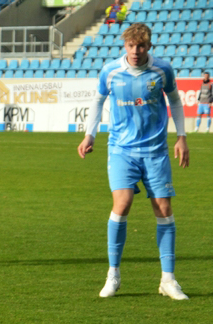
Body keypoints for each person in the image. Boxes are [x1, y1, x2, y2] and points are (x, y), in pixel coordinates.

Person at [77, 23, 190, 300]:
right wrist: (90, 134)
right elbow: (97, 101)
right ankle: (113, 275)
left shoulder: (162, 70)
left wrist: (181, 137)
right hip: (121, 150)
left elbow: (175, 101)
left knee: (164, 209)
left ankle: (168, 280)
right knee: (122, 204)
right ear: (124, 45)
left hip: (155, 151)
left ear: (149, 46)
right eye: (131, 46)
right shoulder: (110, 71)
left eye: (141, 46)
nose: (135, 51)